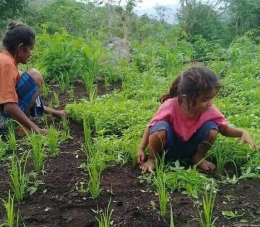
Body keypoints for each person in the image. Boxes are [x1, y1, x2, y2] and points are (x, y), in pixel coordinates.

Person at [137, 66, 258, 172]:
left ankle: (198, 157)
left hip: (192, 148)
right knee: (160, 128)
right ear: (186, 98)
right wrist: (142, 148)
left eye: (211, 98)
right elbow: (151, 126)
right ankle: (153, 159)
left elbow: (224, 129)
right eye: (205, 99)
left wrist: (242, 132)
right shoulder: (170, 105)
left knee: (212, 128)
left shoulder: (209, 109)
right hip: (169, 148)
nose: (209, 103)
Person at [0, 21, 66, 136]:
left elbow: (25, 98)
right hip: (2, 122)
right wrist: (37, 130)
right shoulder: (7, 64)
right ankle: (15, 127)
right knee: (35, 76)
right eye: (30, 48)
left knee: (25, 77)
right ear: (20, 47)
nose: (31, 53)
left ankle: (18, 124)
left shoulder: (5, 60)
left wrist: (55, 112)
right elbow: (9, 106)